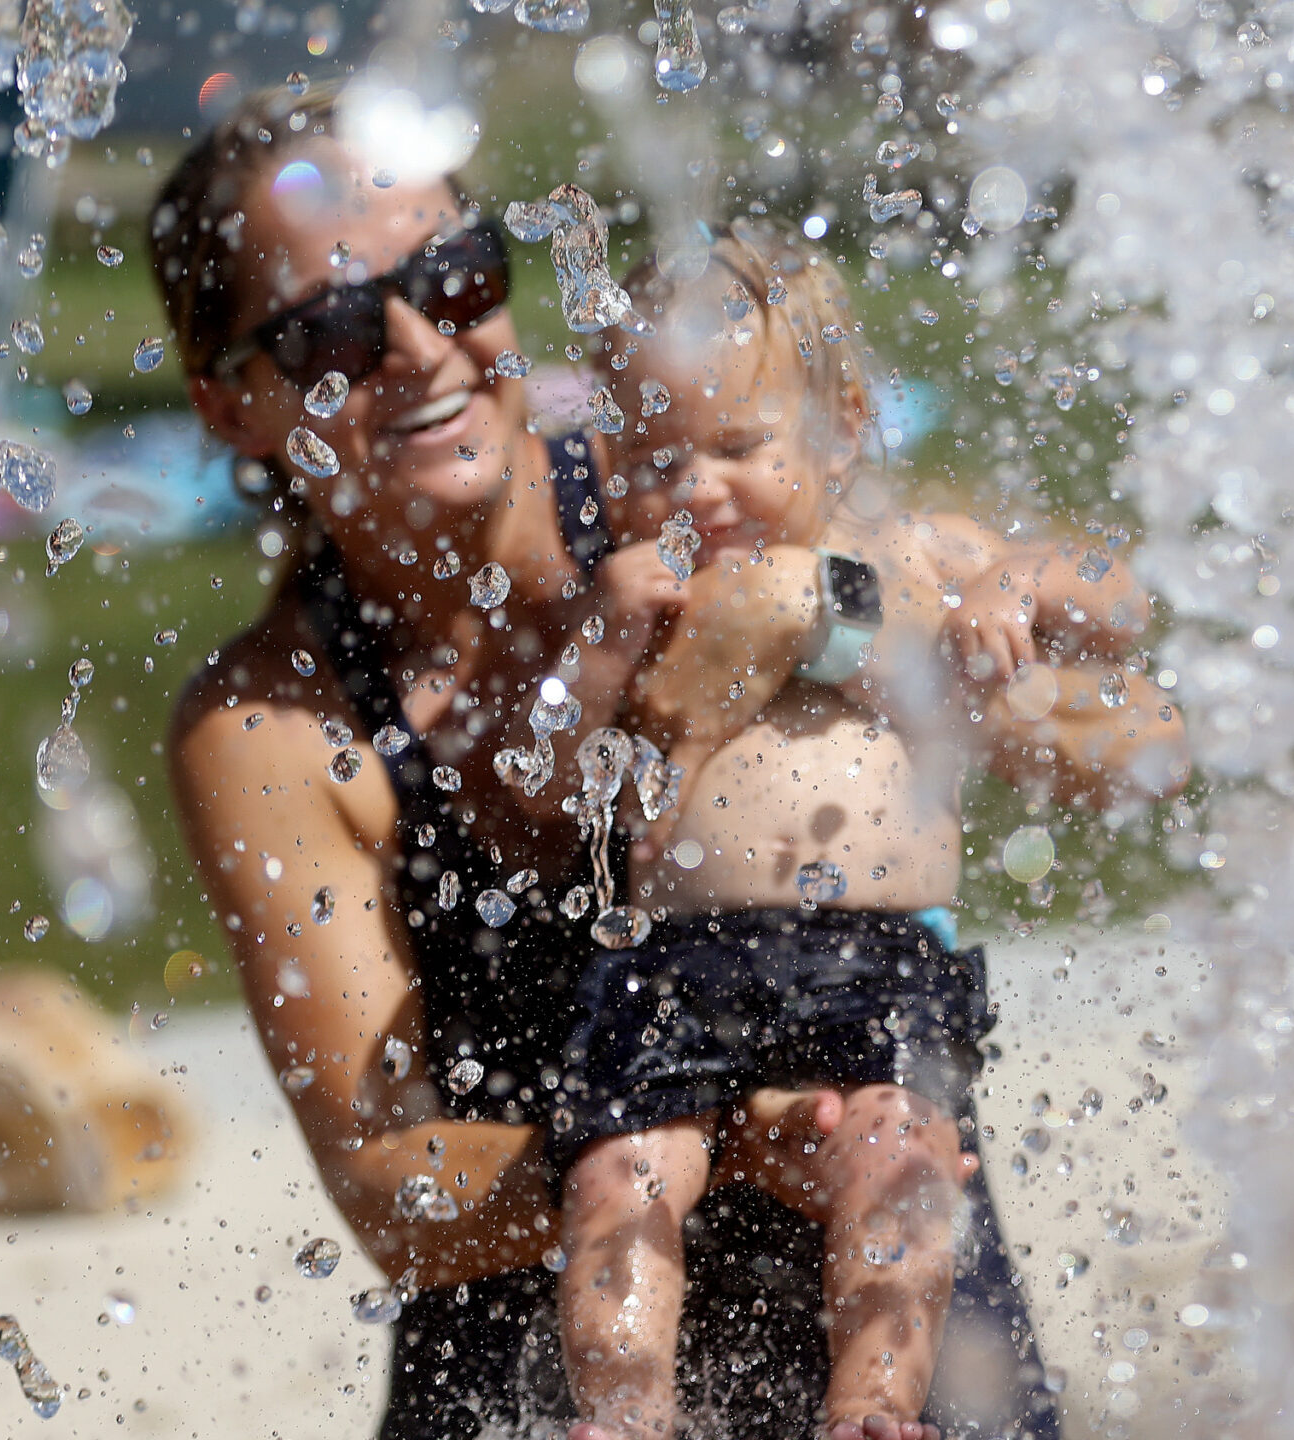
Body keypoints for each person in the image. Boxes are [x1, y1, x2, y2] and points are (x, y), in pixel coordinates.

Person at [150, 82, 1173, 1439]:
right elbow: (392, 1193)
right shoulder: (277, 726)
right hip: (553, 1370)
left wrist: (829, 618)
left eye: (456, 279)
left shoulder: (703, 473)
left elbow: (1132, 737)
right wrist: (708, 1134)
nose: (420, 348)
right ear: (232, 407)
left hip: (889, 1331)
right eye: (335, 324)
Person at [548, 227, 1174, 1440]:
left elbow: (1119, 590)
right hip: (676, 959)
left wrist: (1013, 589)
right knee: (617, 1181)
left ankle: (874, 1409)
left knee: (904, 1162)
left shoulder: (913, 554)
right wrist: (611, 641)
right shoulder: (642, 587)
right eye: (655, 458)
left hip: (873, 955)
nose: (695, 491)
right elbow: (560, 775)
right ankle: (622, 1411)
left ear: (839, 422)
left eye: (735, 447)